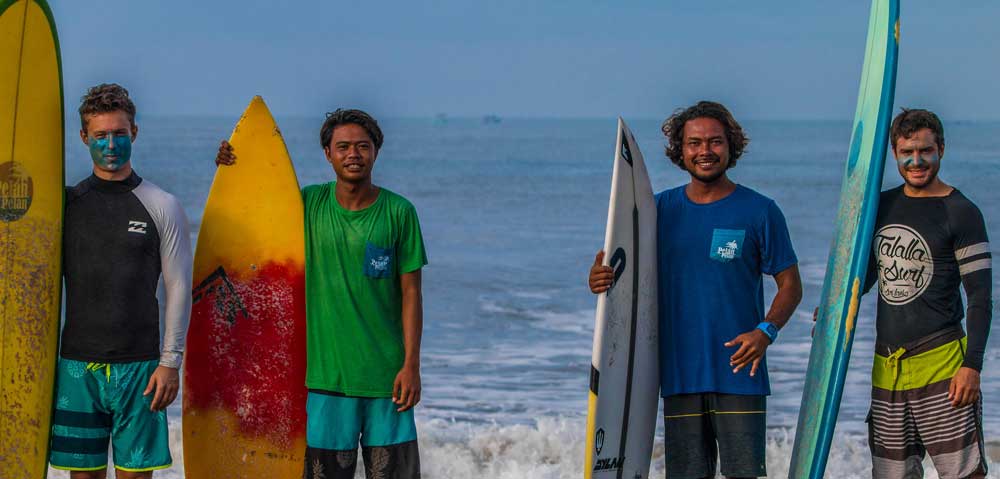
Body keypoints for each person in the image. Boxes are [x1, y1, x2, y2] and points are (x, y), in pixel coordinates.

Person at [588, 101, 802, 478]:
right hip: (678, 373)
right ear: (680, 150)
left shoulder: (760, 211)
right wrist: (600, 279)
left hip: (739, 372)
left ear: (730, 146)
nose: (705, 151)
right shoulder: (656, 212)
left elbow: (790, 285)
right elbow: (621, 269)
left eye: (715, 142)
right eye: (694, 143)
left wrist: (765, 332)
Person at [216, 108, 427, 478]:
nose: (353, 154)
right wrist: (233, 166)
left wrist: (411, 366)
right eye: (342, 146)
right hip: (326, 380)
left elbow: (411, 294)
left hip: (387, 380)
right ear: (327, 154)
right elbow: (256, 210)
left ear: (376, 151)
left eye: (362, 146)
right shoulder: (308, 204)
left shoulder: (399, 212)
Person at [49, 84, 192, 478]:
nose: (110, 144)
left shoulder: (161, 204)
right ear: (84, 138)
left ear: (134, 133)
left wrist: (170, 362)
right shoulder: (67, 205)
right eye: (100, 136)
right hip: (77, 368)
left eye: (119, 134)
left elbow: (179, 287)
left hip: (141, 368)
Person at [861, 108, 991, 479]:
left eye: (925, 151)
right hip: (887, 370)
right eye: (907, 153)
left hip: (943, 364)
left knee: (963, 473)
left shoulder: (961, 212)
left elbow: (980, 298)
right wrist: (837, 312)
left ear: (941, 150)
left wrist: (972, 367)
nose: (916, 161)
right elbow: (868, 275)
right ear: (895, 154)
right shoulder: (882, 206)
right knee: (891, 474)